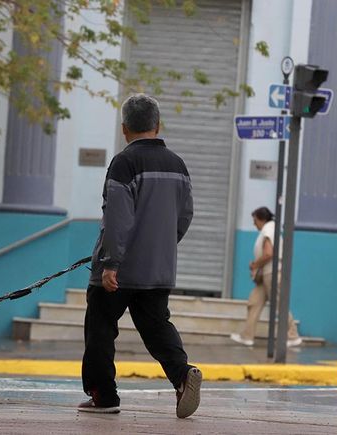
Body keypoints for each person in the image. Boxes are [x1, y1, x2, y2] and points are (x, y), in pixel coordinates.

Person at [79, 94, 201, 419]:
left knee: (101, 326)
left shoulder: (124, 163)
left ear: (124, 129)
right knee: (157, 327)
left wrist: (110, 263)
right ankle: (182, 375)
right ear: (157, 125)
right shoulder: (178, 164)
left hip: (120, 271)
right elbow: (185, 215)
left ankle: (103, 395)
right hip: (158, 269)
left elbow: (118, 216)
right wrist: (162, 245)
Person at [230, 207, 302, 347]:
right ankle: (247, 336)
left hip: (271, 274)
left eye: (254, 220)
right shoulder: (268, 229)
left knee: (279, 305)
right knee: (254, 303)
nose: (253, 223)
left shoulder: (269, 229)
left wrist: (255, 265)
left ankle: (293, 335)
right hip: (266, 275)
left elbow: (269, 253)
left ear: (261, 218)